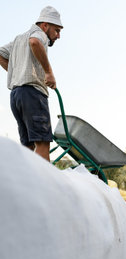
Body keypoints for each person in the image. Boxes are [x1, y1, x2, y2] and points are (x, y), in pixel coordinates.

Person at [0, 6, 63, 161]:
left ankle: (25, 183)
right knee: (42, 144)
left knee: (27, 148)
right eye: (56, 30)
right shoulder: (39, 34)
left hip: (16, 96)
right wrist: (49, 72)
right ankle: (44, 185)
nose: (58, 36)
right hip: (33, 94)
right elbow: (35, 42)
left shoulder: (19, 39)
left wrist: (16, 72)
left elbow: (0, 53)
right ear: (45, 25)